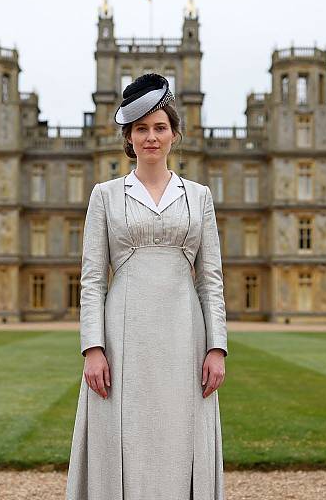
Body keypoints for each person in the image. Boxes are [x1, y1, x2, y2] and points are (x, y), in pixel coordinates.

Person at [65, 73, 228, 500]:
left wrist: (217, 348)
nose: (151, 137)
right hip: (123, 332)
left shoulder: (199, 196)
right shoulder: (105, 195)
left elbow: (211, 279)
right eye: (141, 129)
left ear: (175, 134)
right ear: (129, 138)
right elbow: (93, 278)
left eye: (160, 127)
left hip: (184, 332)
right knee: (127, 427)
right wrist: (93, 348)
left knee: (180, 429)